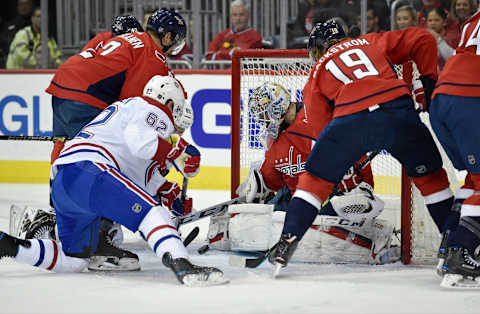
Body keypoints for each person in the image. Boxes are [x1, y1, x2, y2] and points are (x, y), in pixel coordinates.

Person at [268, 19, 458, 277]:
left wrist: (336, 163)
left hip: (350, 119)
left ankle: (288, 239)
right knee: (431, 178)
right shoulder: (371, 41)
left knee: (313, 180)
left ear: (320, 48)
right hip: (398, 109)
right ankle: (454, 246)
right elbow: (423, 39)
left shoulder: (317, 71)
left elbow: (320, 130)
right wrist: (427, 83)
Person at [0, 75, 226, 287]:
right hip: (92, 171)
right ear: (168, 102)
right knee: (152, 213)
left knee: (74, 260)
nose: (174, 128)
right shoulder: (151, 109)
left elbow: (134, 173)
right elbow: (141, 143)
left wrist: (167, 190)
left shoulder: (127, 109)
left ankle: (9, 246)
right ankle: (183, 266)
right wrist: (177, 152)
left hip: (65, 181)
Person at [42, 8, 187, 270]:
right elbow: (135, 109)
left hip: (63, 85)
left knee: (68, 152)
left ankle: (60, 217)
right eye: (174, 39)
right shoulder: (152, 56)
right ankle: (97, 240)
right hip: (87, 97)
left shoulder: (120, 39)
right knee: (102, 161)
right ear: (166, 37)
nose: (174, 45)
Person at [207, 82, 399, 265]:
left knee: (319, 226)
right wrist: (258, 185)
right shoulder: (275, 139)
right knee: (258, 218)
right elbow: (272, 178)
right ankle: (227, 231)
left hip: (334, 194)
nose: (261, 121)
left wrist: (354, 182)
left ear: (276, 108)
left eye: (263, 114)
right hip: (298, 195)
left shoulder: (316, 116)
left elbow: (353, 142)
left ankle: (376, 233)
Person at [430, 10, 480, 288]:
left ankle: (448, 247)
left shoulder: (474, 18)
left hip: (443, 98)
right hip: (470, 97)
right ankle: (461, 253)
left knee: (473, 178)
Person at [0, 0, 33, 68]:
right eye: (21, 4)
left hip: (32, 66)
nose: (23, 7)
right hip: (12, 67)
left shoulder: (36, 25)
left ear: (31, 6)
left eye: (26, 4)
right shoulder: (9, 26)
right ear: (17, 7)